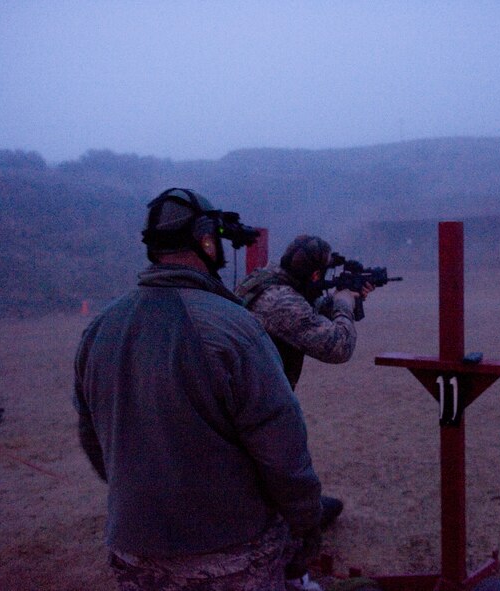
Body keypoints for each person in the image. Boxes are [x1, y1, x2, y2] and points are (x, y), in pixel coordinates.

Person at [73, 188, 324, 591]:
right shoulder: (234, 328)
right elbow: (282, 449)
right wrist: (307, 522)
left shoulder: (99, 329)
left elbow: (94, 439)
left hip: (134, 551)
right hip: (231, 553)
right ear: (206, 239)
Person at [235, 235, 374, 531]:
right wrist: (344, 305)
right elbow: (338, 347)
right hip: (257, 402)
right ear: (314, 274)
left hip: (243, 390)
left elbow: (306, 310)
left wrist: (347, 297)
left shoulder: (270, 278)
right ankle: (300, 523)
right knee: (283, 458)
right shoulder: (282, 301)